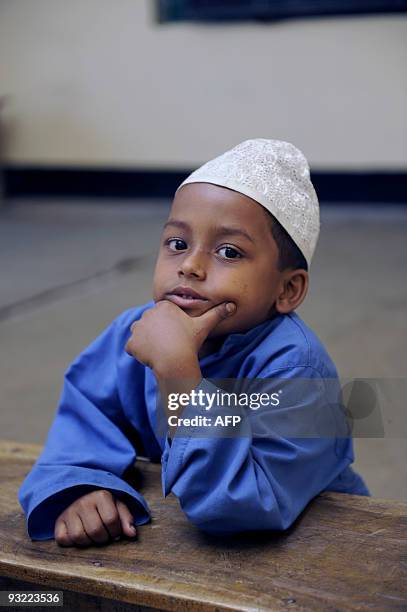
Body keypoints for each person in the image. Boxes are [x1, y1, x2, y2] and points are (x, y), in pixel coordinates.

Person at [18, 139, 370, 547]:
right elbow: (85, 422)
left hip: (321, 552)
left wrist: (178, 374)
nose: (190, 266)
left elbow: (244, 507)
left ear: (288, 289)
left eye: (228, 251)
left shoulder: (297, 368)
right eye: (178, 244)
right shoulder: (134, 331)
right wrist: (80, 486)